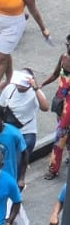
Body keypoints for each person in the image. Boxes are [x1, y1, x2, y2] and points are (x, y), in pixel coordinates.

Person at [0, 68, 48, 158]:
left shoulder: (35, 93)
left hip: (26, 133)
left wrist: (36, 88)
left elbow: (45, 107)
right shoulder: (10, 88)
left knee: (19, 161)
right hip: (8, 130)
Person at [41, 38, 70, 180]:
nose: (67, 46)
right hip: (61, 102)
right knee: (65, 134)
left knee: (61, 134)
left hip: (68, 106)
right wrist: (42, 84)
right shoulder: (64, 57)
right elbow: (55, 74)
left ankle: (53, 168)